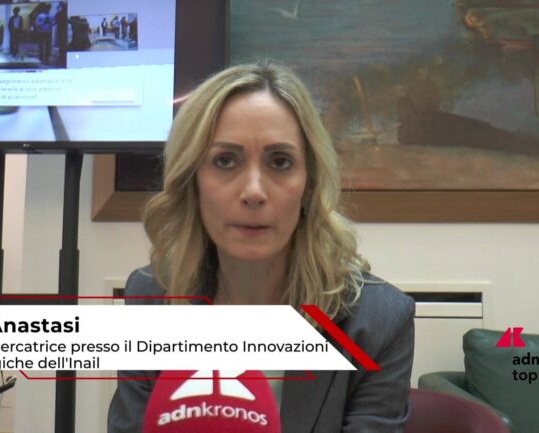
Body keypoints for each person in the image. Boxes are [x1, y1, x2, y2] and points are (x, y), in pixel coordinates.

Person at [107, 62, 415, 433]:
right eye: (225, 161)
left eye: (280, 162)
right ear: (192, 180)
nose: (254, 191)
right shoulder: (151, 299)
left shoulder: (378, 321)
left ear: (309, 185)